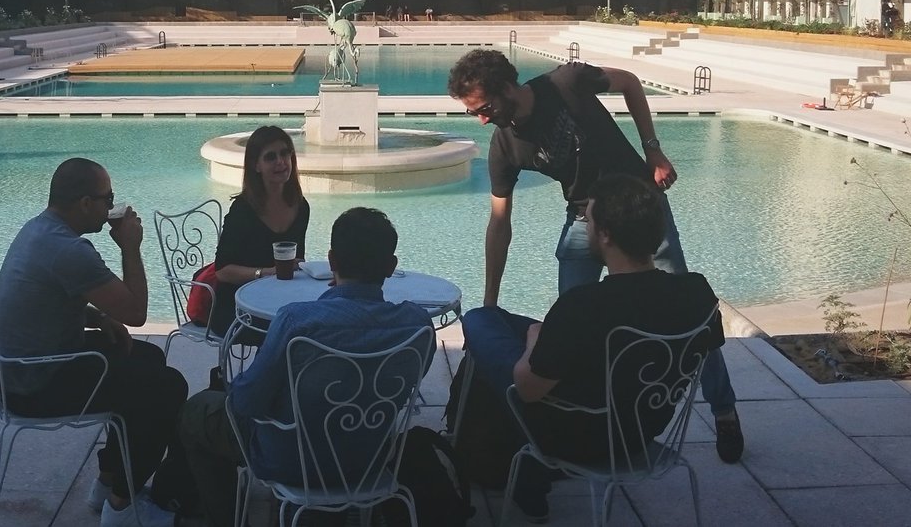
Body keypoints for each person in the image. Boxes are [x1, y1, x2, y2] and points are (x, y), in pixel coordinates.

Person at [446, 49, 744, 464]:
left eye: (485, 108)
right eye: (473, 113)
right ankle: (590, 416)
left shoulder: (566, 83)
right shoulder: (505, 145)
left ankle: (724, 410)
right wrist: (491, 301)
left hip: (639, 206)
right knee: (572, 319)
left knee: (689, 317)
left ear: (508, 87)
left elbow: (630, 83)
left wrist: (653, 150)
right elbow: (499, 223)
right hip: (585, 218)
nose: (481, 118)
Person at [462, 174, 725, 522]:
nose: (585, 227)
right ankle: (523, 477)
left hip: (577, 435)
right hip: (645, 427)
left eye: (589, 220)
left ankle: (496, 462)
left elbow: (526, 389)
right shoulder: (697, 293)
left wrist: (535, 341)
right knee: (514, 324)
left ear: (605, 235)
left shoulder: (584, 306)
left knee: (481, 320)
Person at [179, 207, 434, 527]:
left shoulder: (297, 322)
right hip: (368, 459)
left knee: (198, 412)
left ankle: (224, 519)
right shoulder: (417, 327)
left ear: (332, 262)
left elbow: (245, 403)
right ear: (391, 265)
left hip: (289, 461)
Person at [0, 157, 187, 527]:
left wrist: (98, 318)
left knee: (146, 358)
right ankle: (122, 509)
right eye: (107, 198)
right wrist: (130, 246)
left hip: (18, 370)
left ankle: (110, 481)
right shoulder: (70, 251)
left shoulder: (39, 229)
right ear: (84, 203)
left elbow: (50, 297)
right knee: (167, 388)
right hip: (37, 383)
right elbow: (136, 312)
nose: (113, 207)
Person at [208, 125, 310, 338]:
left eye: (285, 153)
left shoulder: (300, 206)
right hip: (237, 307)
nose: (281, 162)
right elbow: (222, 271)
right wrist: (264, 272)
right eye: (271, 157)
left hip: (278, 302)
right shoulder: (243, 210)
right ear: (256, 165)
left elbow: (297, 261)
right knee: (290, 332)